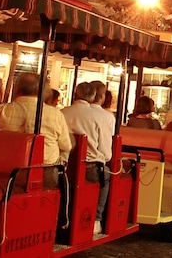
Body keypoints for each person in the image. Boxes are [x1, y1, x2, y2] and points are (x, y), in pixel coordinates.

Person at [61, 81, 116, 236]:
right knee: (106, 174)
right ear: (93, 97)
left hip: (64, 167)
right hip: (90, 168)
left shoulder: (63, 112)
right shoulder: (99, 117)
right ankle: (96, 219)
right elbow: (106, 153)